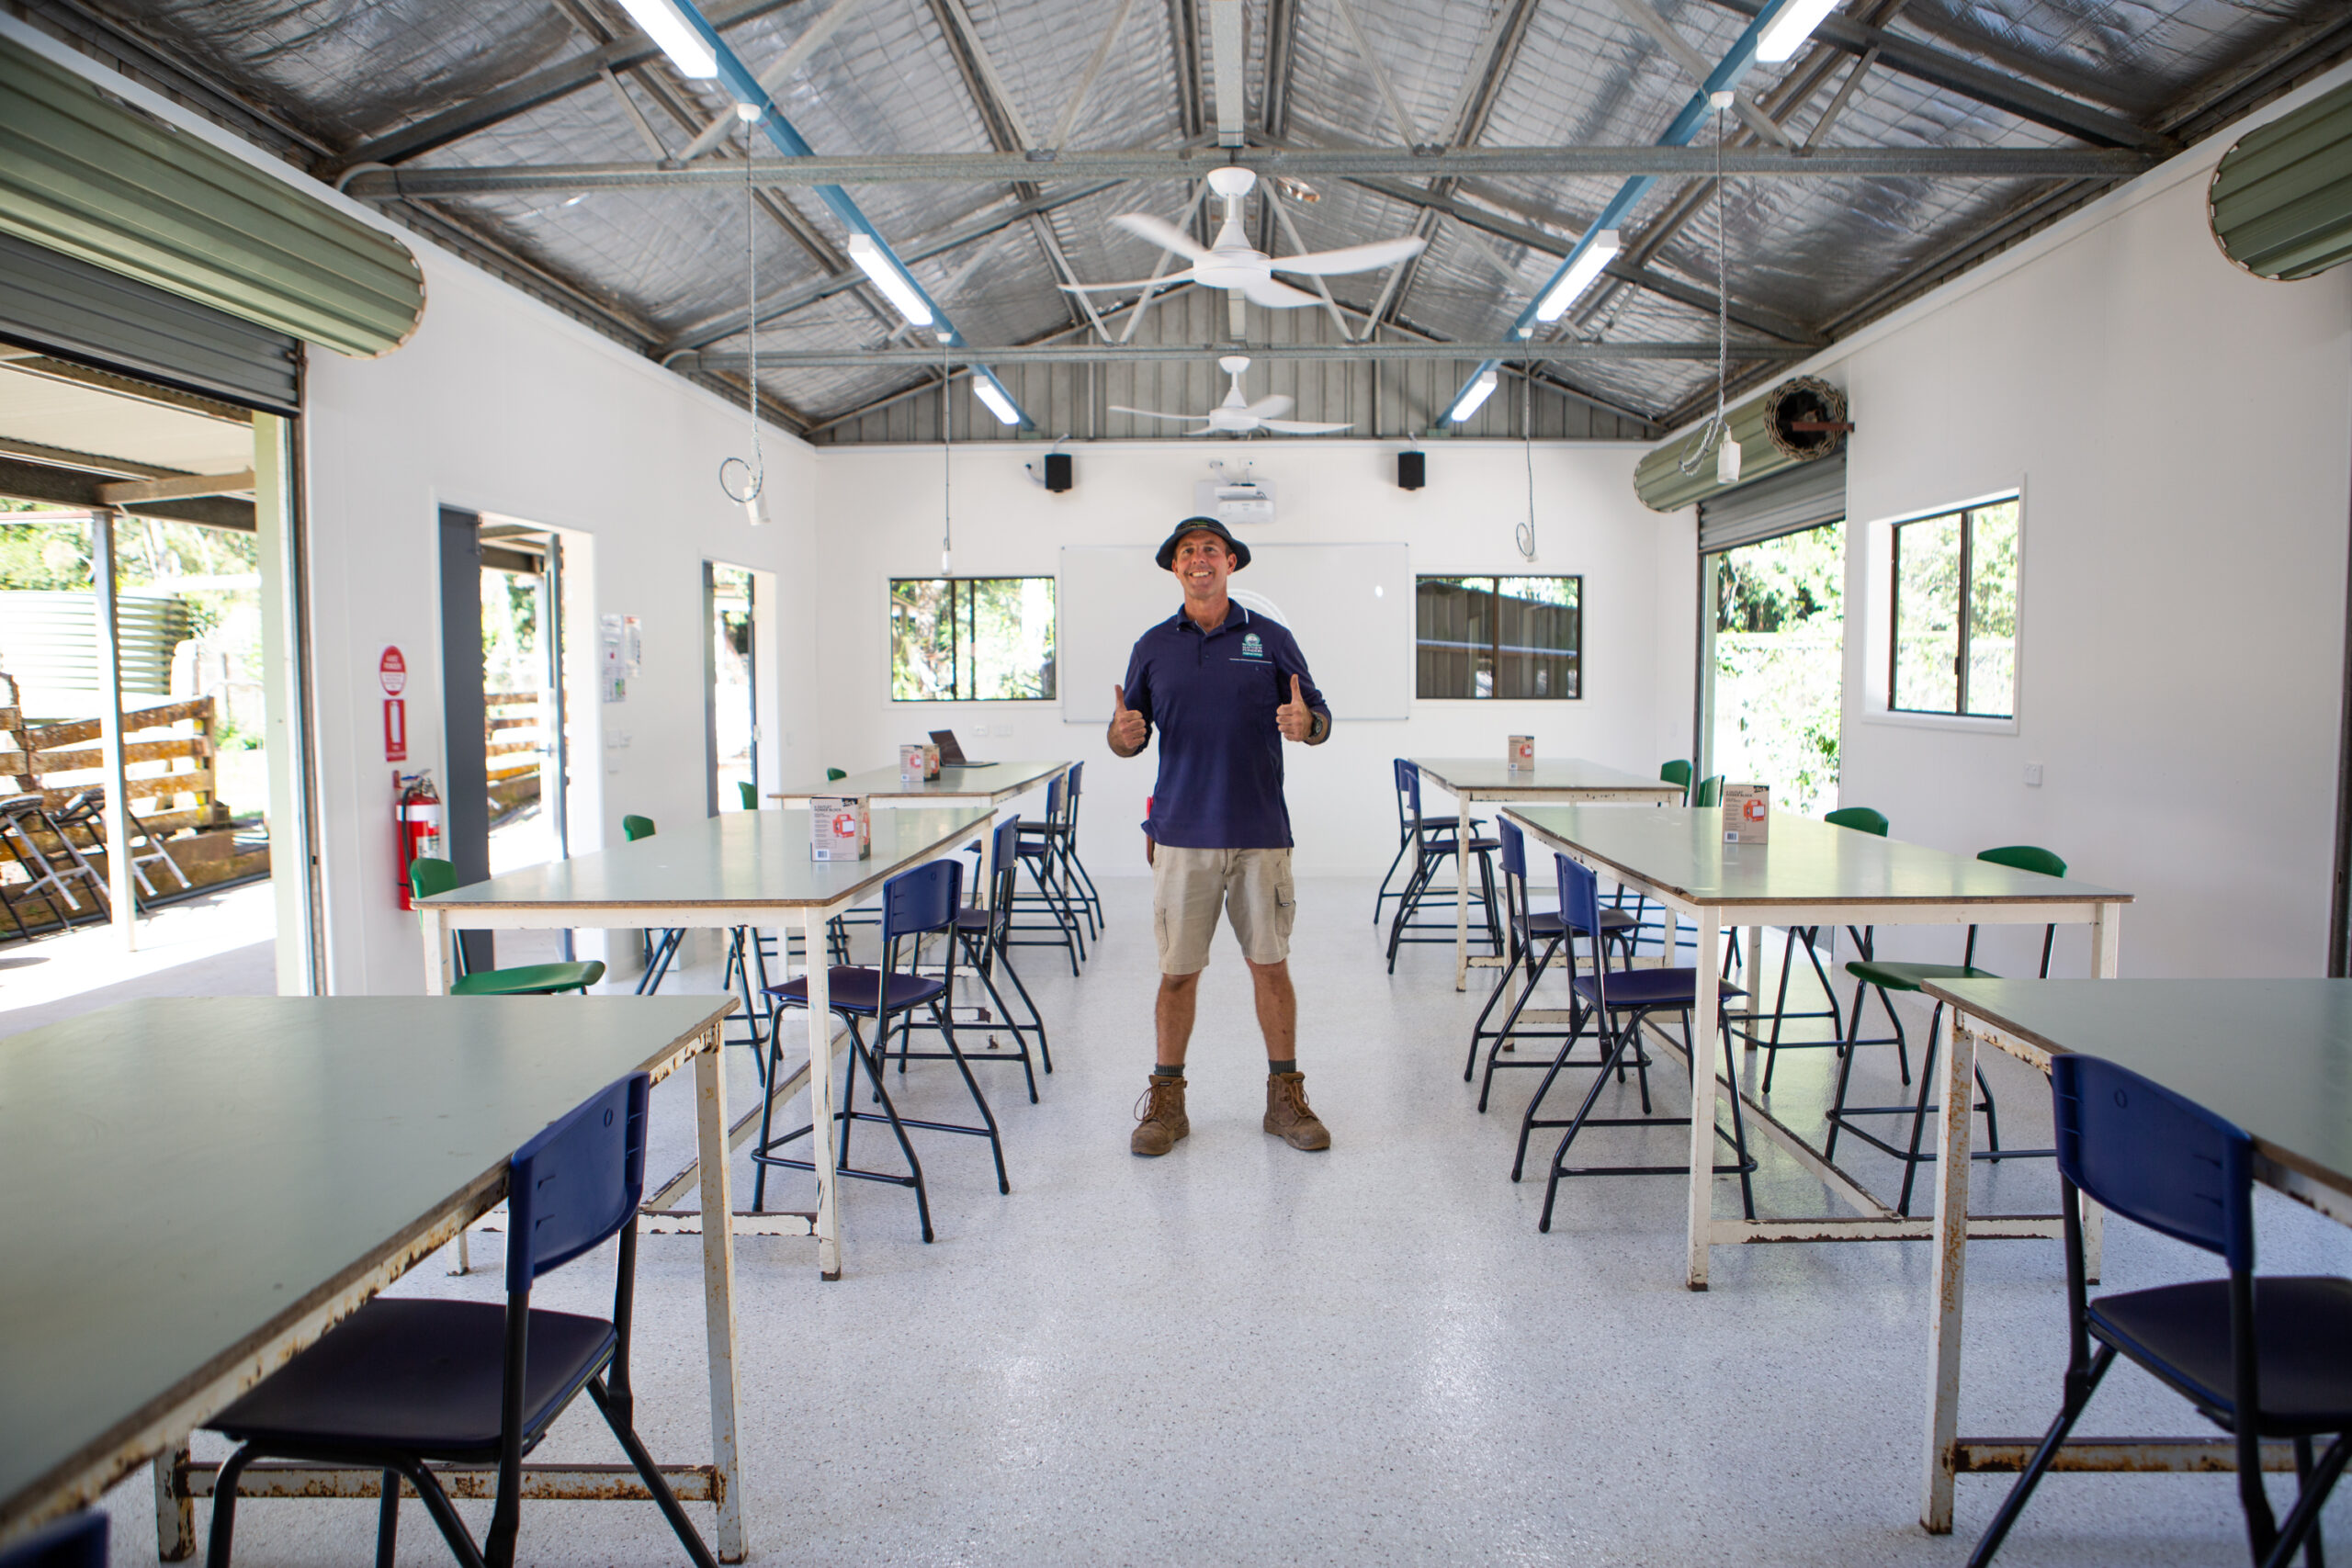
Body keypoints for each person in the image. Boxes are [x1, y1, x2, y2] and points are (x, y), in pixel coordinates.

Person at [1109, 516, 1332, 1156]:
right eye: (1187, 551)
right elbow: (1128, 728)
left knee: (1270, 967)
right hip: (1181, 836)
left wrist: (1305, 723)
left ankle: (1285, 1100)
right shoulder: (1154, 646)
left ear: (1230, 561)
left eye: (1210, 549)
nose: (1199, 559)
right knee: (1177, 973)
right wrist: (1119, 739)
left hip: (1260, 832)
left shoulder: (1271, 637)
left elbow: (1320, 715)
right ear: (1174, 567)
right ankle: (1167, 1105)